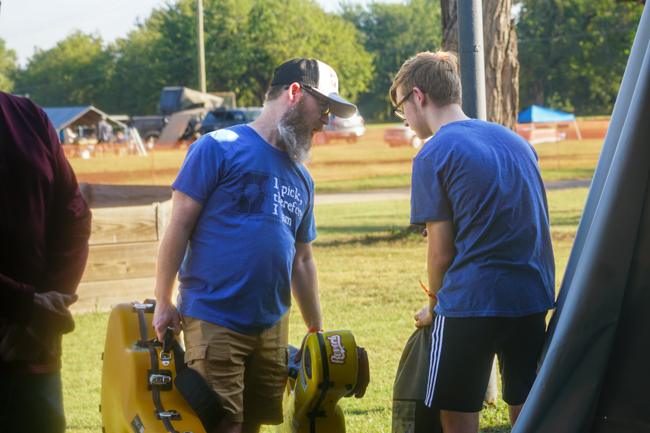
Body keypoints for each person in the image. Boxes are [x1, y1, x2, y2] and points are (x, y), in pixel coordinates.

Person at [152, 58, 357, 433]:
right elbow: (178, 226)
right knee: (224, 426)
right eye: (324, 107)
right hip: (215, 317)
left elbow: (302, 260)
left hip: (272, 326)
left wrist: (315, 330)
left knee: (253, 425)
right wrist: (163, 300)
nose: (326, 121)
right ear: (295, 93)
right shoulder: (217, 148)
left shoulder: (303, 178)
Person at [390, 51, 555, 432]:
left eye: (401, 108)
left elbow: (440, 252)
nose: (405, 120)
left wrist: (433, 306)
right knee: (526, 405)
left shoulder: (432, 153)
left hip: (472, 302)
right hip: (532, 296)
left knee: (456, 412)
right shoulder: (517, 142)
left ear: (418, 96)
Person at [0, 92, 92, 432]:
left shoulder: (29, 116)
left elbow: (74, 214)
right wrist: (26, 306)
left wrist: (48, 309)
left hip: (35, 354)